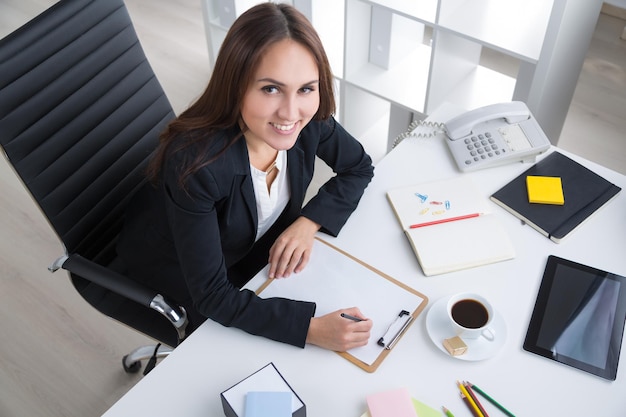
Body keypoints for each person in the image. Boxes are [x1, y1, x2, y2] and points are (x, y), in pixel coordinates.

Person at [116, 3, 374, 351]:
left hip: (249, 250)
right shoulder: (196, 165)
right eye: (270, 89)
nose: (291, 112)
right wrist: (309, 330)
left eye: (306, 89)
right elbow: (211, 295)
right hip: (177, 269)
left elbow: (359, 167)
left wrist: (308, 222)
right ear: (235, 85)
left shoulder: (309, 121)